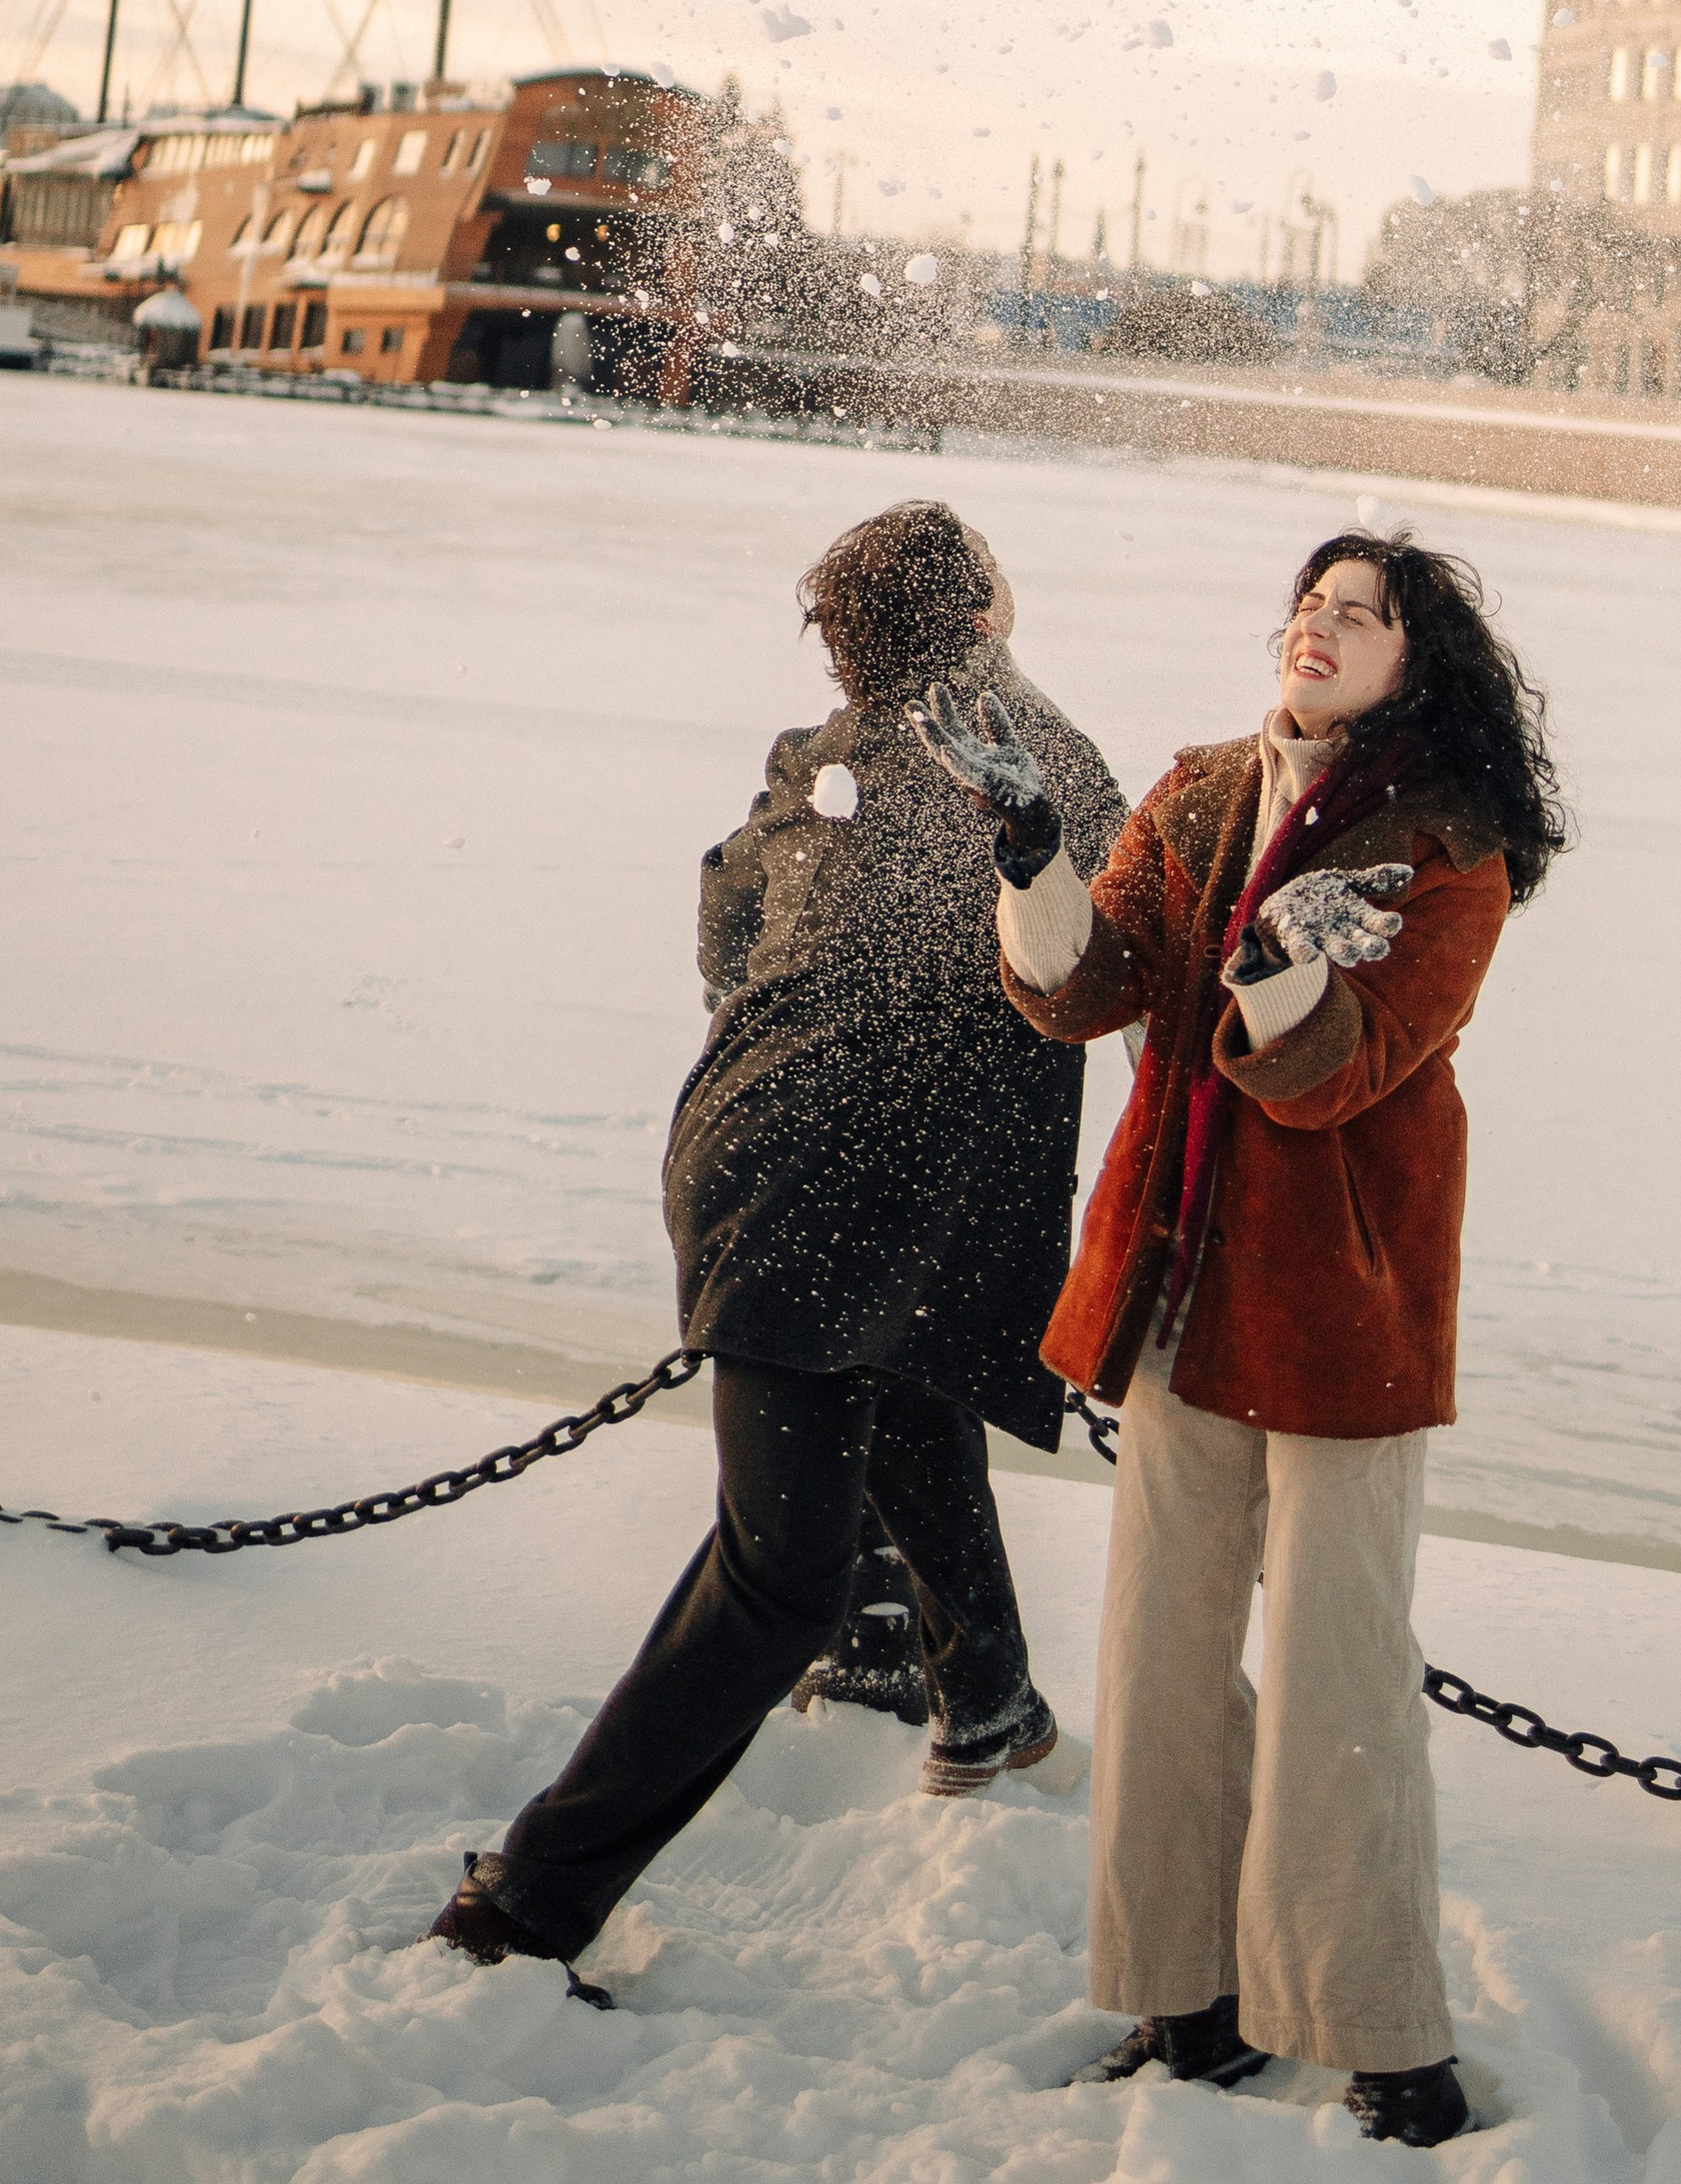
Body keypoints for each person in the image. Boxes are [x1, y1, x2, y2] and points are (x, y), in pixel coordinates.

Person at [914, 530, 1567, 2147]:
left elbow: (1355, 1067)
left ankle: (1383, 2037)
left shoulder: (1448, 846)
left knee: (1342, 1684)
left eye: (1362, 613)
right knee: (1158, 1666)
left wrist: (1283, 970)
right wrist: (1031, 852)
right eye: (1309, 602)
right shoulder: (1205, 786)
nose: (1319, 626)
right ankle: (1183, 2000)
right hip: (1179, 1294)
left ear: (1421, 663)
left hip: (1343, 1311)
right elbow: (1086, 989)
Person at [428, 500, 1125, 1993]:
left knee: (915, 1375)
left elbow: (728, 922)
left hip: (751, 1154)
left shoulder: (824, 762)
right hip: (829, 1199)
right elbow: (1118, 926)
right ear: (986, 612)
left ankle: (987, 1695)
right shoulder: (1033, 763)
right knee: (780, 1582)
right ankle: (524, 1903)